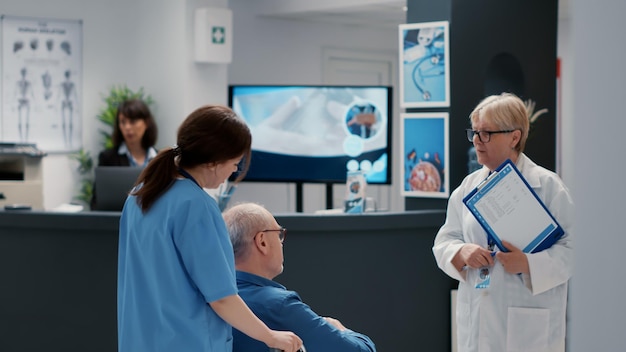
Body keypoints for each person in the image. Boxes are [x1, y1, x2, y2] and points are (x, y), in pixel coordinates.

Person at [117, 105, 302, 352]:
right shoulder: (197, 206)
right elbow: (222, 298)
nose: (235, 170)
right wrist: (271, 337)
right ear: (214, 162)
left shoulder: (138, 197)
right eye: (235, 162)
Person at [432, 92, 574, 352]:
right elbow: (445, 240)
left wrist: (528, 264)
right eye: (474, 132)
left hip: (528, 325)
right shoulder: (468, 187)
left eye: (486, 133)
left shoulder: (549, 186)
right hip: (477, 317)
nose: (476, 141)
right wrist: (461, 252)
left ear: (514, 136)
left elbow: (575, 251)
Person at [223, 202, 377, 352]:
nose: (282, 242)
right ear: (262, 241)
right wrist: (340, 329)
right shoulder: (278, 305)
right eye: (279, 235)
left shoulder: (212, 298)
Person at [91, 98, 158, 209]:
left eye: (132, 122)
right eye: (123, 122)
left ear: (146, 123)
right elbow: (96, 202)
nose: (127, 127)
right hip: (118, 221)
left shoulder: (159, 158)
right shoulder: (108, 158)